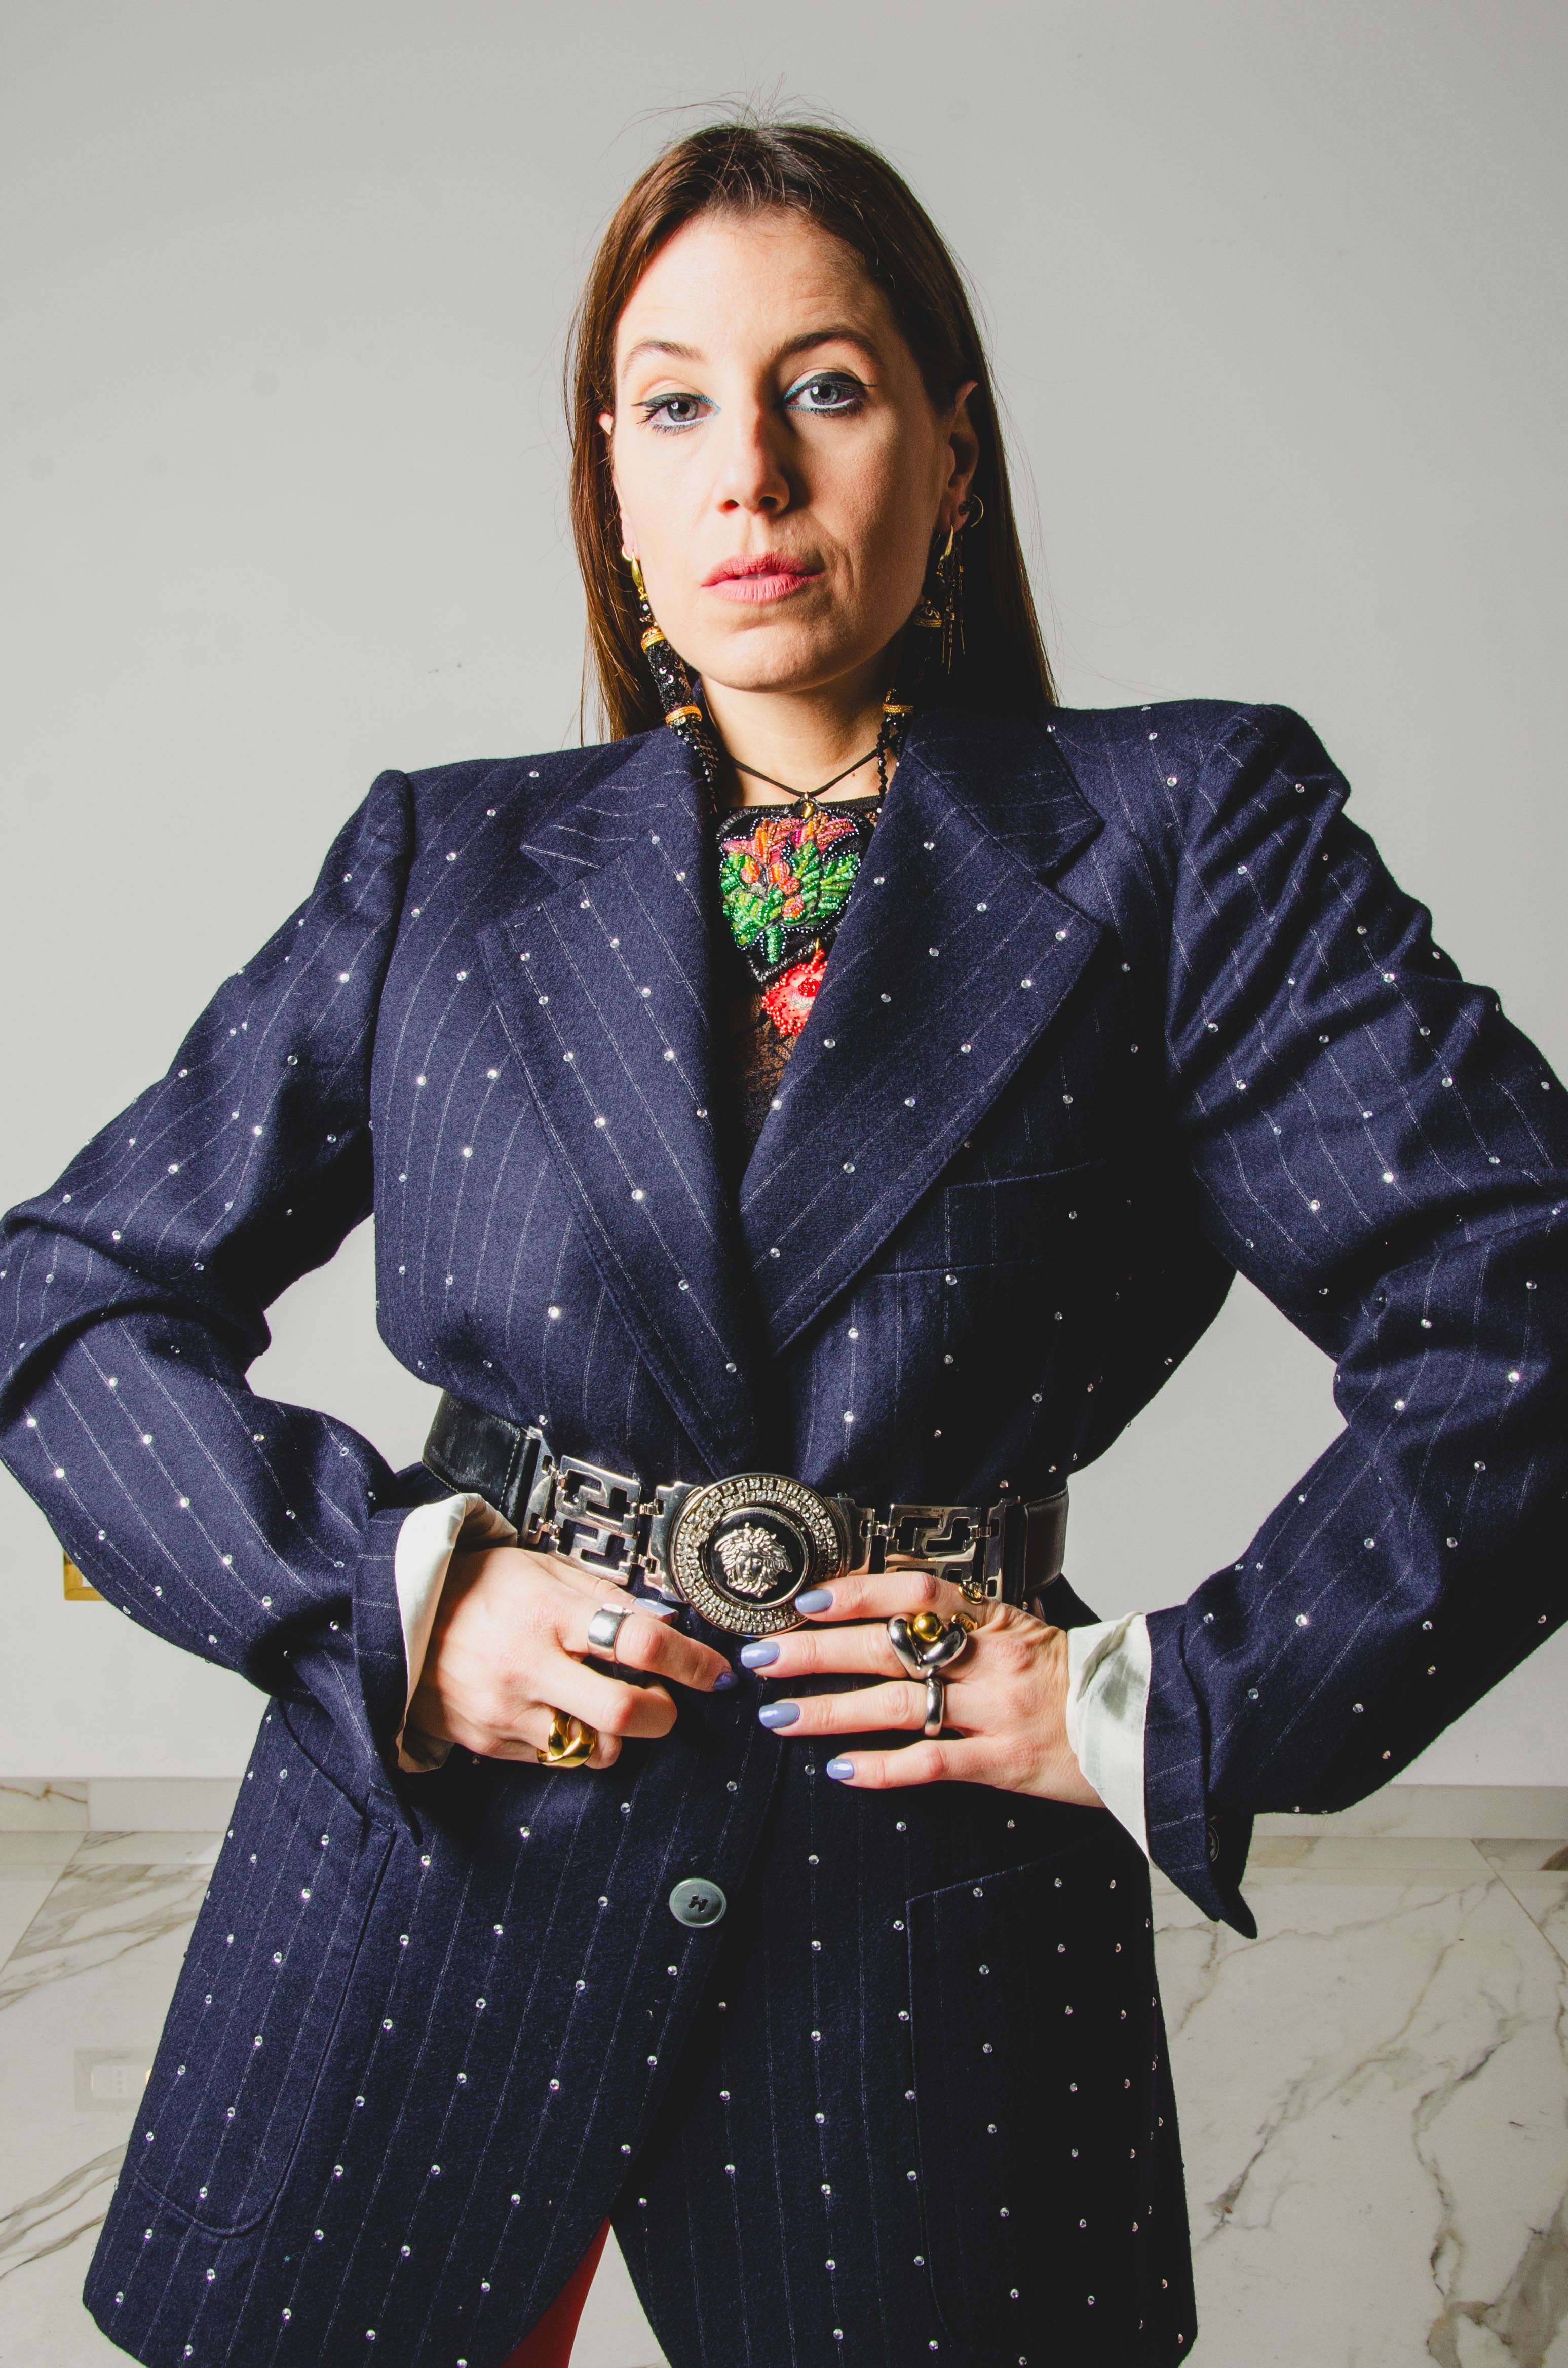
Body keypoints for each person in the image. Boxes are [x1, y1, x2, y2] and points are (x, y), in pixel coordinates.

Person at [1, 113, 1563, 2368]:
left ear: (954, 449)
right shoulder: (443, 859)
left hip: (921, 1943)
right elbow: (70, 1289)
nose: (748, 469)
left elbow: (1526, 1299)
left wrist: (1172, 1703)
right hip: (419, 1899)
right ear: (614, 488)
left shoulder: (1189, 828)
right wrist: (388, 1600)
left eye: (825, 387)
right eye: (672, 406)